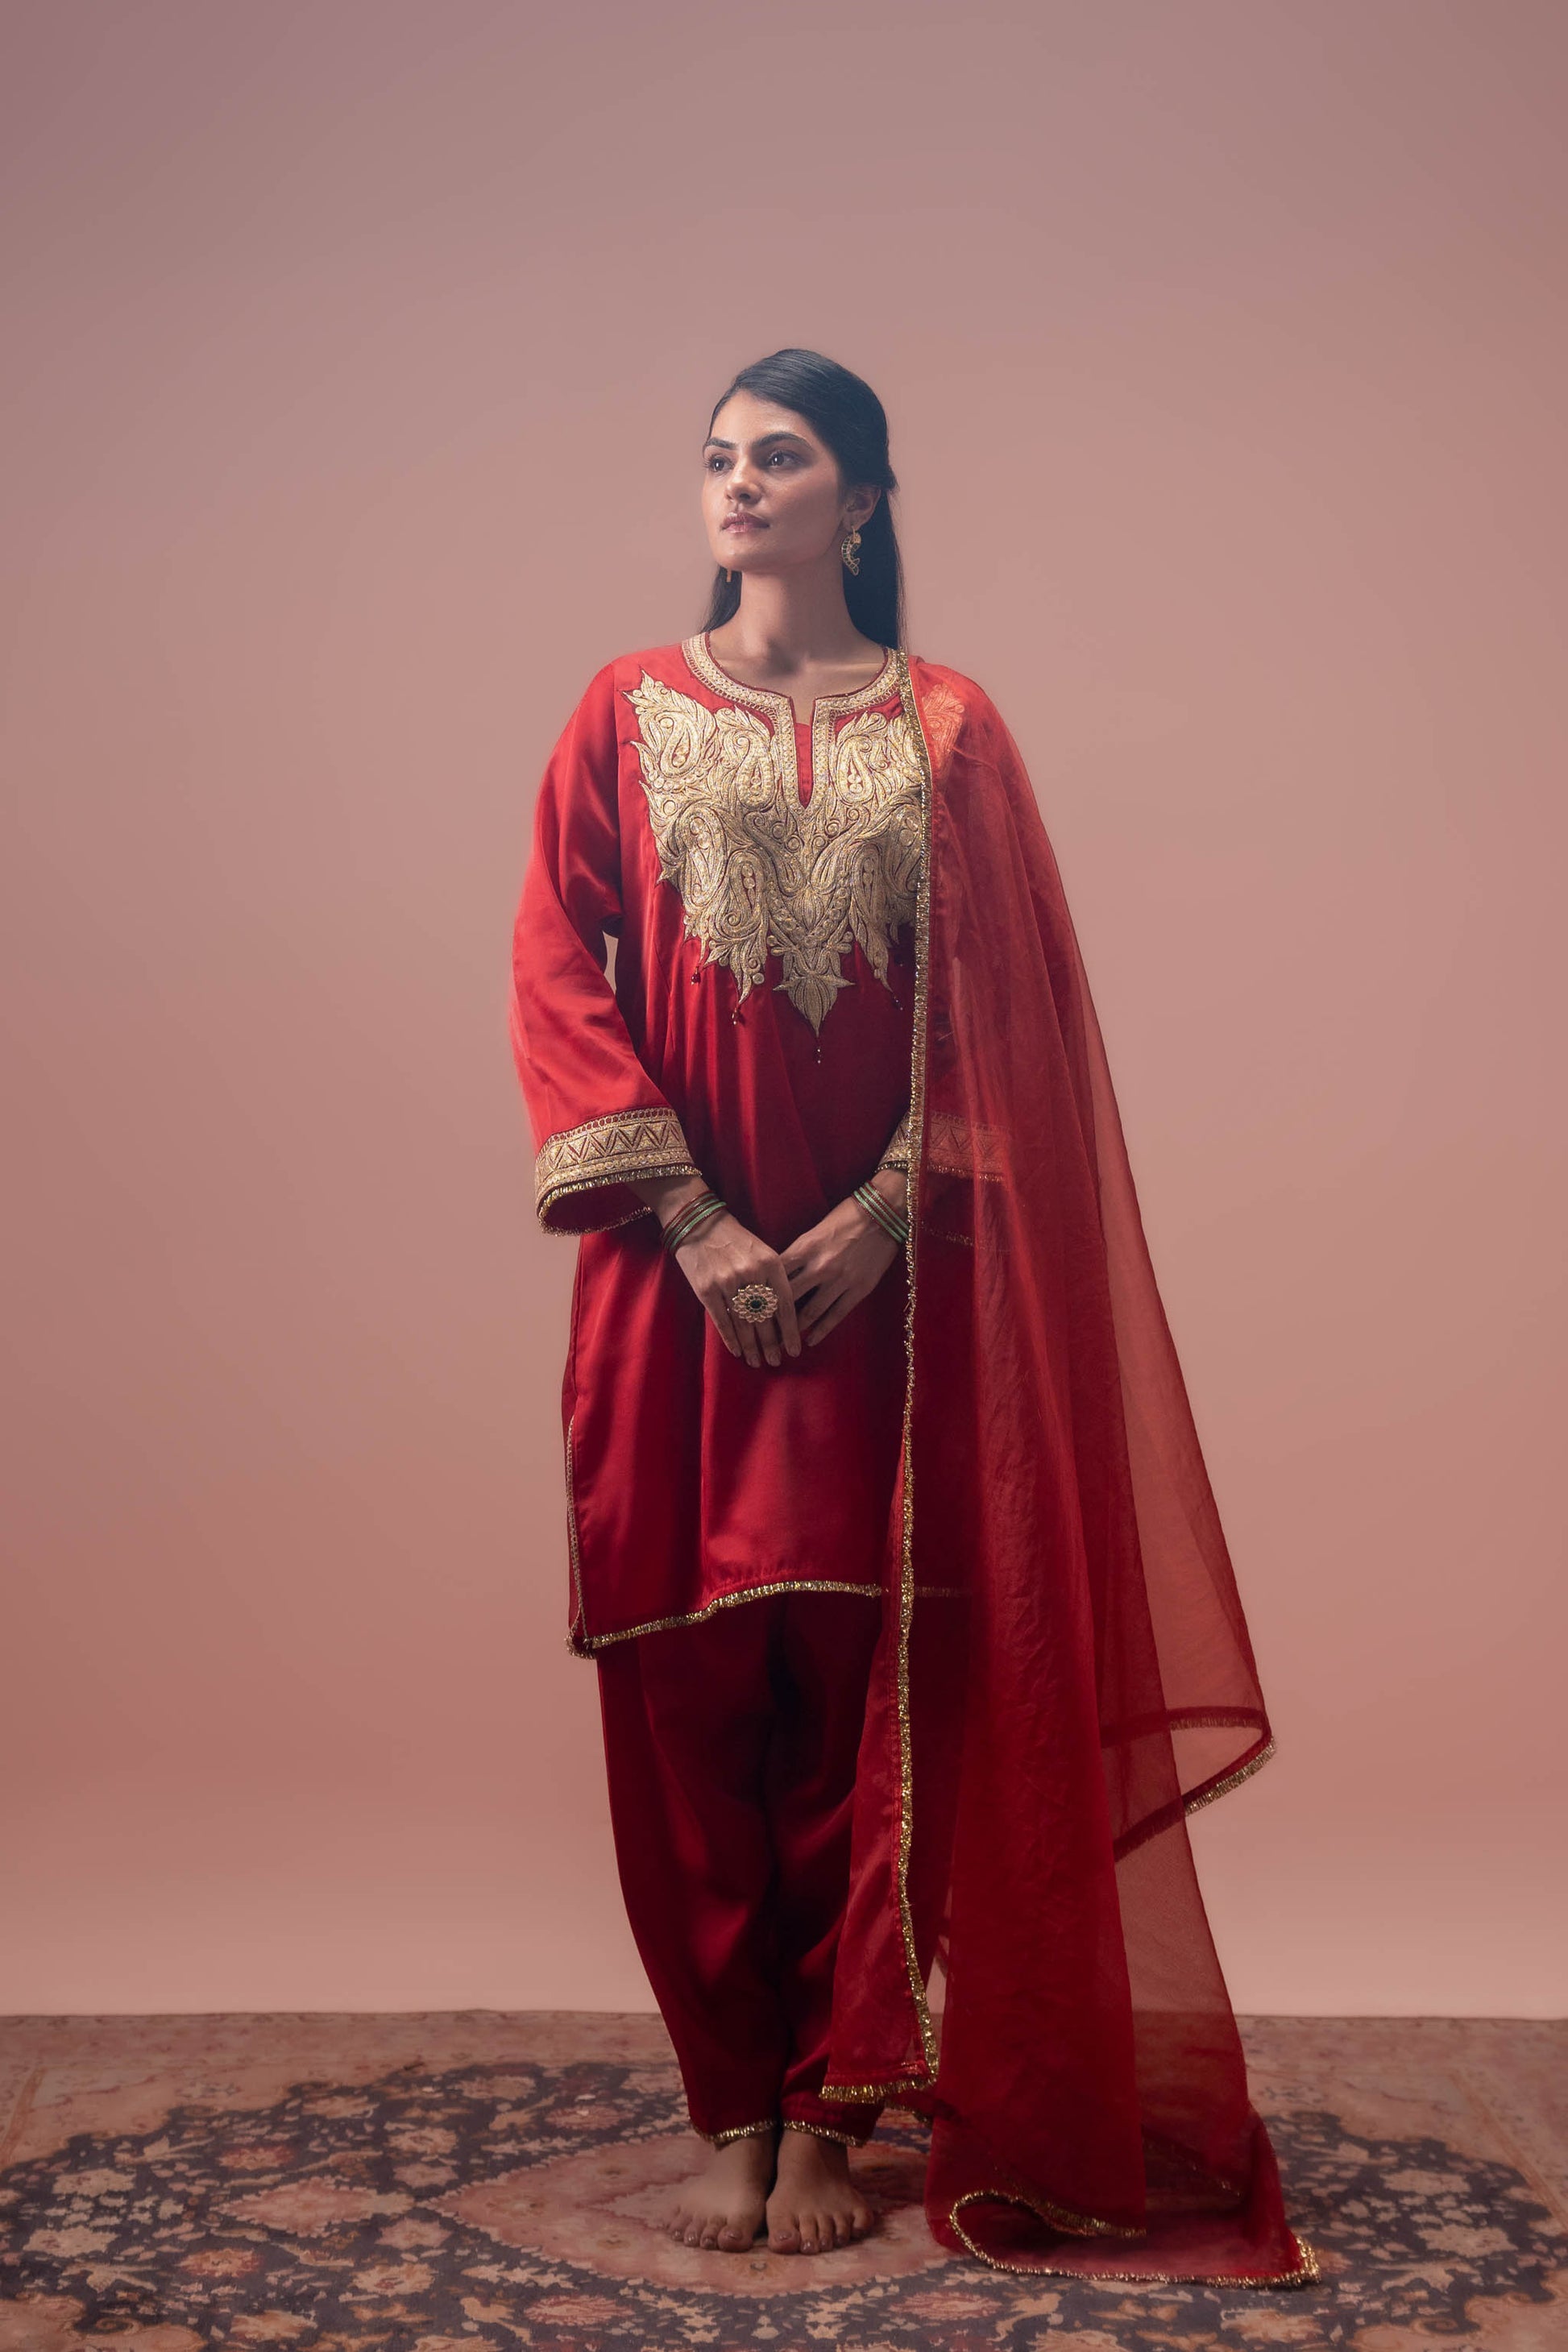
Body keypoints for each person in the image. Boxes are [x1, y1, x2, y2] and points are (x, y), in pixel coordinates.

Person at [508, 349, 1317, 2284]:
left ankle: (832, 2099)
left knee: (866, 1689)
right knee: (687, 1690)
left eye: (779, 456)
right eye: (716, 456)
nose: (737, 483)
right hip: (676, 1283)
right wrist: (693, 1220)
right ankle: (732, 2095)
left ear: (863, 498)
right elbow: (554, 963)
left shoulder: (948, 729)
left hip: (891, 1294)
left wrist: (886, 1212)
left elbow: (1012, 1018)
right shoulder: (621, 709)